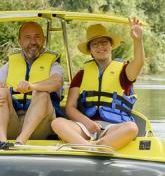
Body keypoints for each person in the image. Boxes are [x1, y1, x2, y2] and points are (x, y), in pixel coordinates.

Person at [52, 17, 144, 151]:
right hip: (86, 127)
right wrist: (87, 122)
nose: (100, 47)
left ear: (111, 45)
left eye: (104, 42)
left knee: (132, 127)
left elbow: (139, 63)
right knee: (57, 123)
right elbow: (70, 108)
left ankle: (94, 146)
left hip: (114, 128)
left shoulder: (124, 71)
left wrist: (138, 40)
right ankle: (93, 148)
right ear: (90, 50)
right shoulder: (81, 75)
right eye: (95, 44)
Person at [0, 21, 64, 147]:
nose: (33, 42)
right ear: (20, 42)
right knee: (1, 93)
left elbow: (56, 82)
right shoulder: (10, 65)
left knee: (42, 93)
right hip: (13, 121)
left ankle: (20, 142)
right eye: (28, 37)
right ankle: (2, 141)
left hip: (41, 125)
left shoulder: (54, 64)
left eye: (37, 37)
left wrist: (32, 86)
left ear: (44, 40)